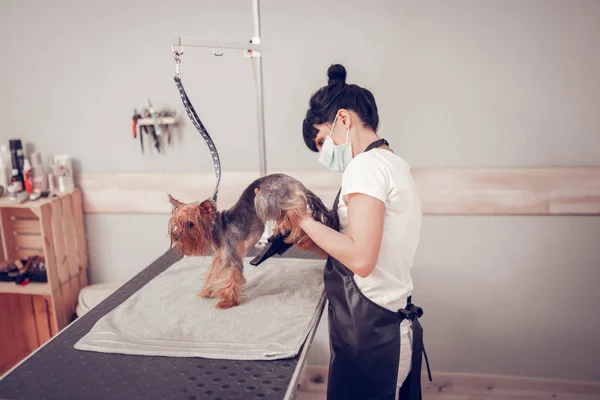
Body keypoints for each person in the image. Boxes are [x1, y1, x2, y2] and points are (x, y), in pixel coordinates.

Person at [296, 64, 431, 400]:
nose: (324, 154)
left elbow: (362, 259)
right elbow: (370, 250)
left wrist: (301, 217)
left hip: (371, 337)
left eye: (323, 141)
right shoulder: (392, 163)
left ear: (344, 119)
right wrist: (313, 243)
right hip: (386, 326)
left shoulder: (365, 168)